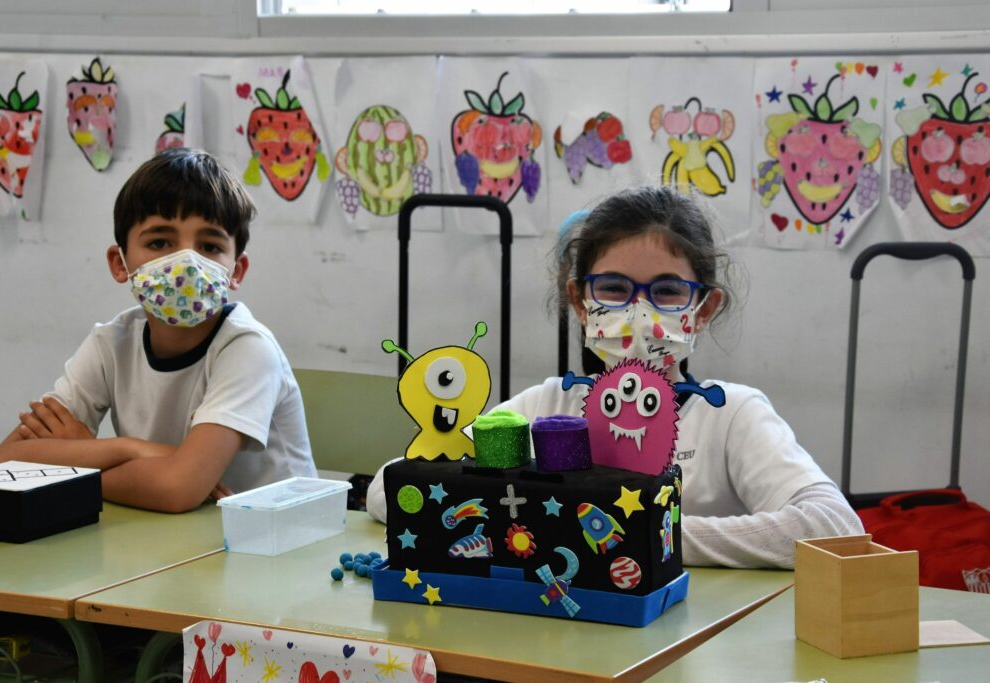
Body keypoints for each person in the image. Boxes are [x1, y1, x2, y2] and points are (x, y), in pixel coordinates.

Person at [367, 185, 861, 568]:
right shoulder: (547, 408)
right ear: (580, 302)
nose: (638, 311)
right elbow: (390, 487)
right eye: (614, 288)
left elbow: (834, 527)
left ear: (705, 308)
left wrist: (647, 536)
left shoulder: (729, 415)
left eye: (667, 290)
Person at [0, 148, 316, 512]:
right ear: (120, 263)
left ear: (236, 271)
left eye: (209, 246)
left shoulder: (248, 348)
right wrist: (132, 449)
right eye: (160, 242)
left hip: (277, 547)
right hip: (174, 541)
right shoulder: (110, 343)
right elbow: (4, 464)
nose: (186, 263)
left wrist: (77, 458)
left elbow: (177, 489)